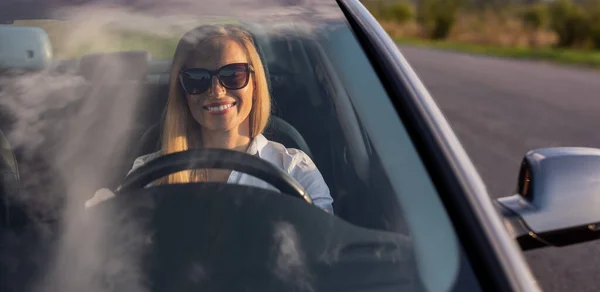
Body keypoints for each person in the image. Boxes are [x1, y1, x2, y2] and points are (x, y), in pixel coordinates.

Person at [126, 24, 333, 213]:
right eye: (198, 79)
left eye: (233, 75)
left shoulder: (295, 171)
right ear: (183, 92)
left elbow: (325, 248)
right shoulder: (149, 175)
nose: (216, 91)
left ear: (255, 84)